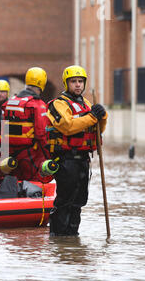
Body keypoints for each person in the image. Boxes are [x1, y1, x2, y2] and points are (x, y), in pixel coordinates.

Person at [45, 65, 108, 236]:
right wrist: (92, 117)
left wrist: (102, 118)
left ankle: (72, 237)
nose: (78, 85)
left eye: (80, 81)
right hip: (66, 160)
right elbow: (67, 126)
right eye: (74, 81)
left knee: (79, 201)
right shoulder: (58, 104)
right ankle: (58, 237)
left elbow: (96, 130)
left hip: (82, 160)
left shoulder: (87, 104)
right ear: (67, 84)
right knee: (65, 200)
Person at [0, 67, 53, 186]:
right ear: (42, 83)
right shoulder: (37, 105)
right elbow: (41, 133)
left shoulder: (10, 102)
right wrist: (49, 155)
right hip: (30, 156)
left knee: (11, 185)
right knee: (32, 186)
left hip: (10, 156)